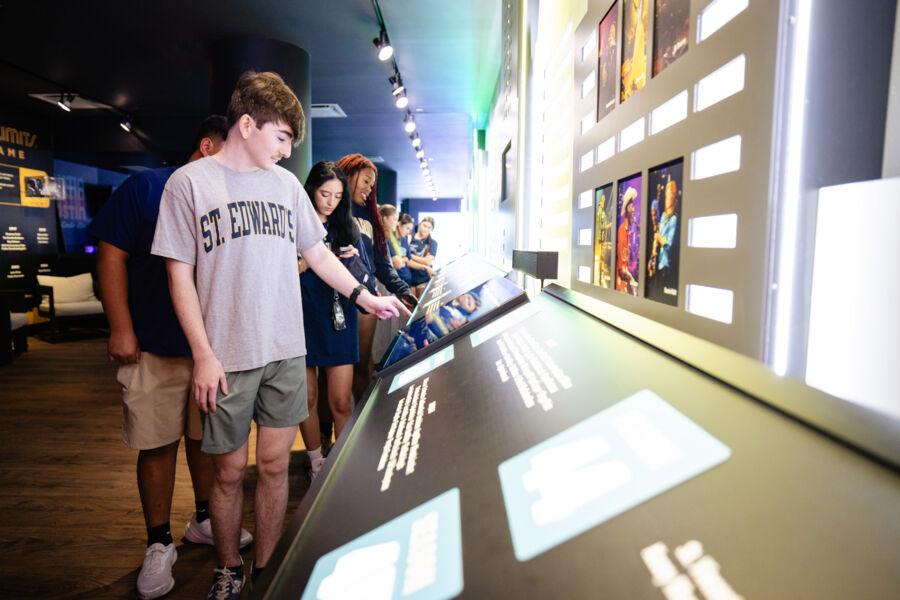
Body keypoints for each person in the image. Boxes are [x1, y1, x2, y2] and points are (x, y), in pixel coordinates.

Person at [151, 72, 406, 600]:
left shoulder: (286, 187)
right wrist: (202, 355)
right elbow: (178, 274)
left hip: (287, 349)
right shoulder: (189, 183)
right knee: (225, 473)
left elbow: (317, 256)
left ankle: (264, 570)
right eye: (282, 138)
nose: (288, 152)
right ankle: (227, 566)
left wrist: (367, 296)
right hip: (225, 356)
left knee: (271, 465)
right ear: (247, 124)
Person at [89, 116, 252, 600]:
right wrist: (121, 326)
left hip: (211, 348)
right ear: (206, 145)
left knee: (206, 442)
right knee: (157, 442)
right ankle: (158, 542)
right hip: (154, 343)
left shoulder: (225, 199)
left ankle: (203, 519)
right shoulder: (147, 187)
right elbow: (110, 254)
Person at [297, 162, 362, 479]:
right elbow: (284, 271)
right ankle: (316, 461)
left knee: (340, 400)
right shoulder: (293, 223)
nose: (330, 202)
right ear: (311, 189)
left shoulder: (348, 227)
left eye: (337, 195)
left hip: (339, 318)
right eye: (325, 193)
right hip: (302, 317)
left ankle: (343, 467)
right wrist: (314, 261)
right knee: (306, 397)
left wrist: (350, 262)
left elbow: (365, 277)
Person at [337, 154, 415, 407]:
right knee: (331, 370)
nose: (370, 188)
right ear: (349, 174)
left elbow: (381, 264)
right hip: (333, 298)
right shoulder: (330, 208)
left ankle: (361, 424)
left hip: (366, 298)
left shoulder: (370, 217)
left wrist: (404, 291)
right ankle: (325, 437)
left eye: (373, 184)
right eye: (366, 181)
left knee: (362, 365)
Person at [379, 205, 413, 286]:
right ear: (385, 218)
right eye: (394, 219)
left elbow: (407, 259)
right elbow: (397, 263)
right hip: (385, 279)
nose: (396, 222)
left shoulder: (387, 236)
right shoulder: (384, 237)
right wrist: (402, 259)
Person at [408, 216, 438, 298]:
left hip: (423, 279)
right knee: (409, 308)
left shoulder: (432, 243)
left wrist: (410, 255)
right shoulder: (409, 238)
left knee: (422, 308)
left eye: (429, 227)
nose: (426, 229)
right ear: (420, 225)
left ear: (431, 230)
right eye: (424, 225)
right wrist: (422, 259)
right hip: (408, 279)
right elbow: (404, 259)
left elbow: (428, 261)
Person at [616, 188, 638, 295]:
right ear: (628, 208)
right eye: (632, 207)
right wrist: (631, 279)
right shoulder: (622, 230)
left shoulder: (627, 229)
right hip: (622, 285)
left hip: (626, 281)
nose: (634, 210)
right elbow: (621, 267)